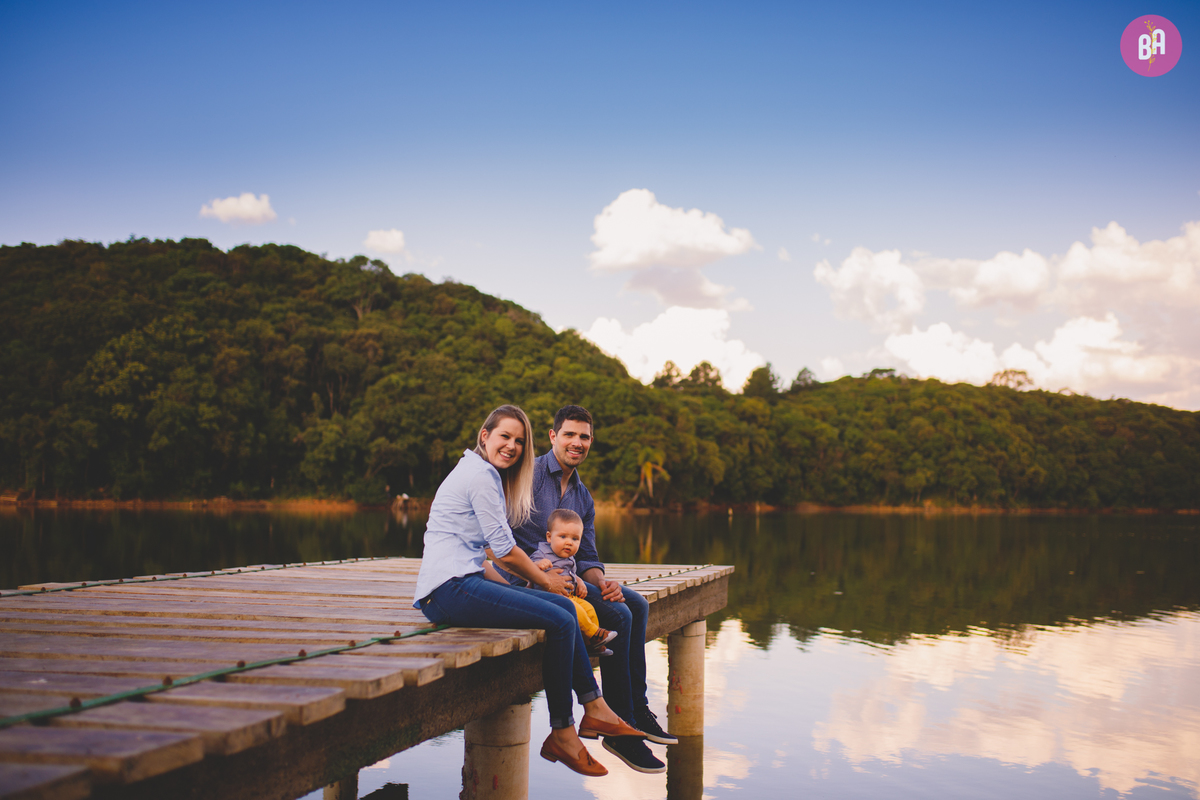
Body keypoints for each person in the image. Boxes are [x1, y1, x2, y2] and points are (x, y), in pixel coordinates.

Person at [411, 404, 645, 777]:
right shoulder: (480, 477)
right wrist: (543, 581)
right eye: (505, 436)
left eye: (519, 441)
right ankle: (566, 730)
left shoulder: (482, 472)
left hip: (467, 581)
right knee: (560, 616)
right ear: (485, 435)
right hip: (447, 590)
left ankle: (593, 711)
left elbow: (481, 555)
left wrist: (524, 591)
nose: (512, 446)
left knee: (562, 610)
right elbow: (503, 548)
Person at [504, 404, 678, 775]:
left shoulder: (582, 497)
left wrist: (602, 581)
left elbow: (588, 555)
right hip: (528, 580)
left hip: (571, 581)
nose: (577, 442)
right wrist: (535, 572)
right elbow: (499, 534)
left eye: (584, 437)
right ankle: (620, 727)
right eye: (569, 434)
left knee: (634, 603)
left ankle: (637, 710)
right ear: (553, 436)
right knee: (619, 615)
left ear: (591, 441)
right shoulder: (528, 475)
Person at [529, 508, 618, 657]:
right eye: (563, 537)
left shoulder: (569, 558)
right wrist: (538, 566)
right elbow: (527, 569)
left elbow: (571, 574)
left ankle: (592, 643)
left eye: (575, 539)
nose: (569, 543)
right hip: (548, 598)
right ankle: (596, 634)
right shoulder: (542, 553)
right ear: (549, 537)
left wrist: (579, 581)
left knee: (589, 608)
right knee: (575, 609)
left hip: (568, 595)